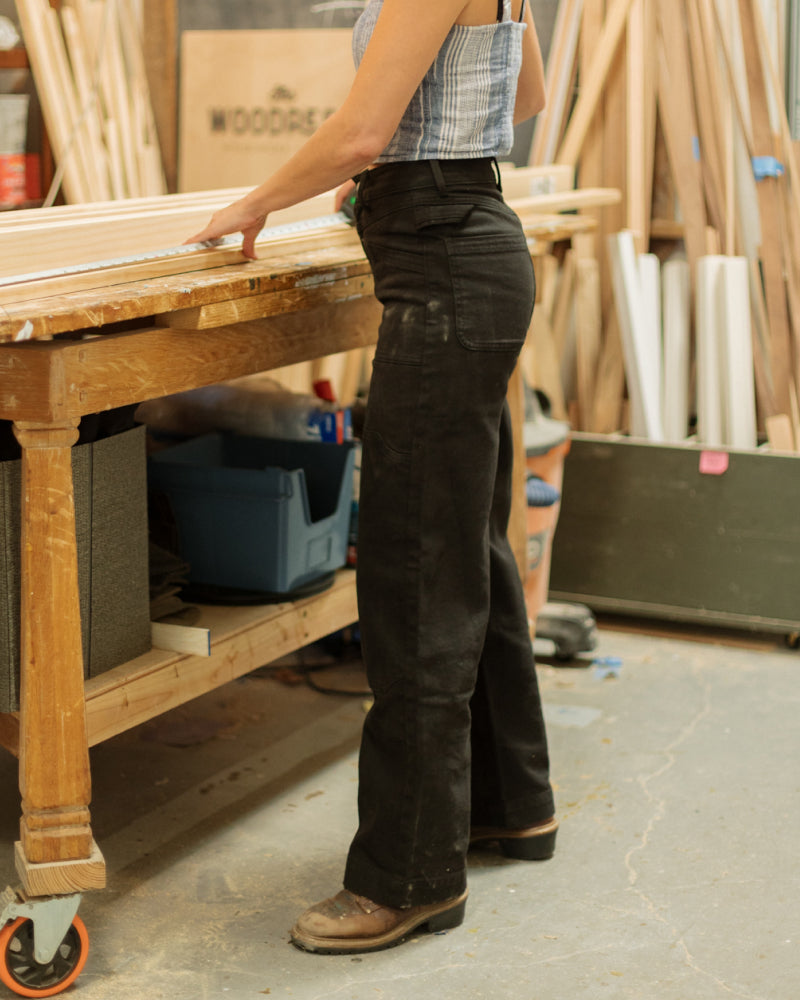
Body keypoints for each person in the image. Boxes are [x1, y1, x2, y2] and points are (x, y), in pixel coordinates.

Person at [188, 0, 556, 956]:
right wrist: (415, 158)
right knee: (465, 542)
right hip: (468, 244)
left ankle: (408, 875)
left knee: (414, 570)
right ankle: (512, 805)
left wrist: (255, 201)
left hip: (441, 267)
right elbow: (530, 93)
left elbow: (360, 131)